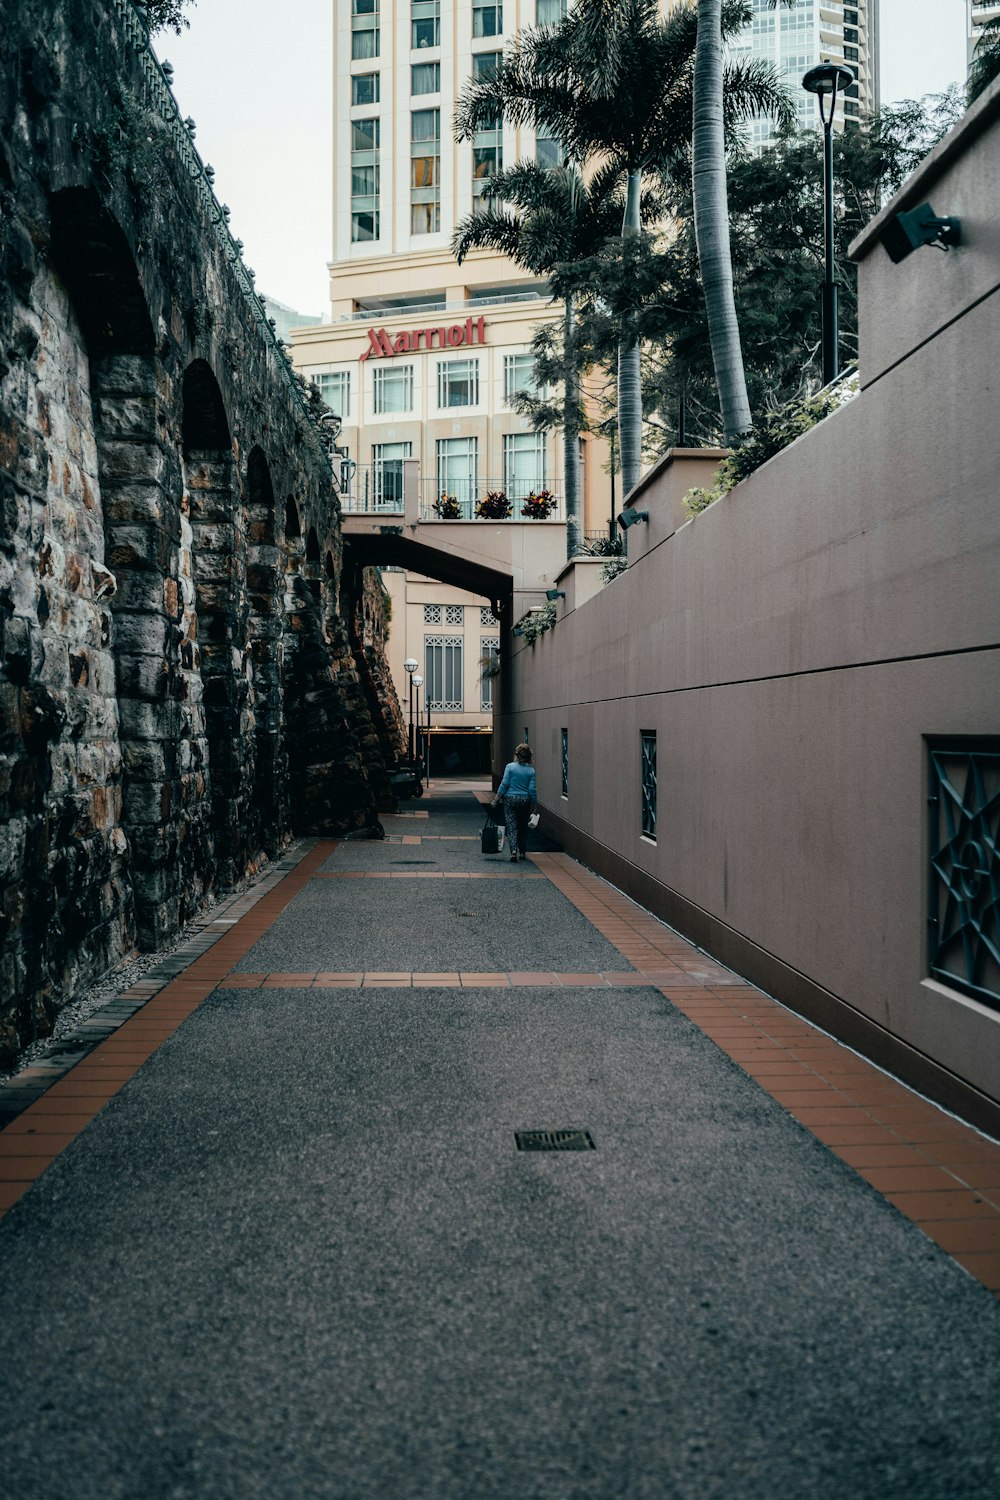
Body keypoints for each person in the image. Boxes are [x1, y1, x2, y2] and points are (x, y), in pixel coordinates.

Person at [493, 743, 536, 863]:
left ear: (516, 755)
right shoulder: (530, 771)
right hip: (524, 800)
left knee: (512, 826)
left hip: (510, 800)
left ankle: (513, 851)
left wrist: (496, 799)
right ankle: (522, 852)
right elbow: (532, 790)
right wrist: (535, 805)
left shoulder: (510, 767)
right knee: (522, 826)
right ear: (529, 756)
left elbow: (504, 784)